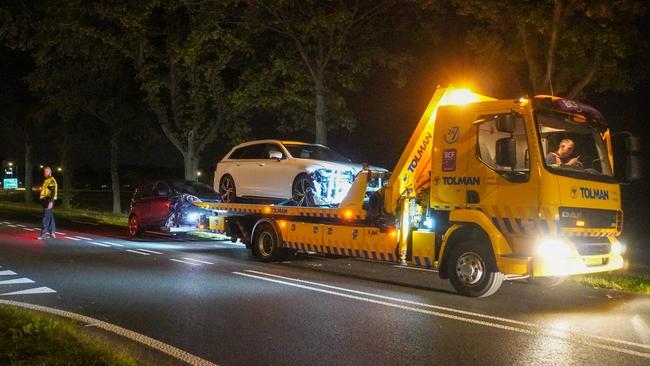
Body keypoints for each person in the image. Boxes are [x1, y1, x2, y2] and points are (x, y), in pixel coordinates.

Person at [38, 166, 58, 240]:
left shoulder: (51, 181)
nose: (45, 173)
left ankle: (43, 235)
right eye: (44, 171)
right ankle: (52, 233)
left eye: (47, 171)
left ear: (50, 172)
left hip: (48, 201)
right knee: (50, 217)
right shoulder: (47, 180)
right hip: (45, 200)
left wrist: (51, 202)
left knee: (45, 218)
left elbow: (52, 192)